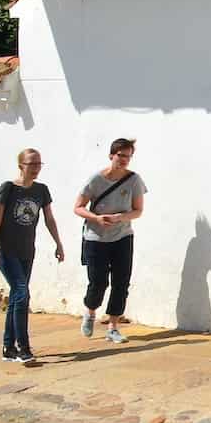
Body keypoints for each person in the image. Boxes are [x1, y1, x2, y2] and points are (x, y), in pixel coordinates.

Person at [0, 148, 65, 363]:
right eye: (31, 164)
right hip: (6, 250)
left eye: (39, 163)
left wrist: (58, 242)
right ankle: (23, 347)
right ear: (21, 165)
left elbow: (49, 219)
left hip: (26, 251)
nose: (36, 168)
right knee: (22, 293)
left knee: (16, 297)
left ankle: (8, 346)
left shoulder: (42, 190)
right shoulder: (8, 189)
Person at [74, 138, 147, 343]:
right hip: (95, 238)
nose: (124, 160)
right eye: (121, 155)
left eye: (128, 156)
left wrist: (121, 218)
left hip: (122, 236)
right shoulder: (96, 179)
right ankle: (90, 311)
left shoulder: (134, 180)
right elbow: (78, 206)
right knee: (98, 282)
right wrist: (96, 218)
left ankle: (113, 326)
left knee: (121, 282)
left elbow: (138, 210)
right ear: (111, 156)